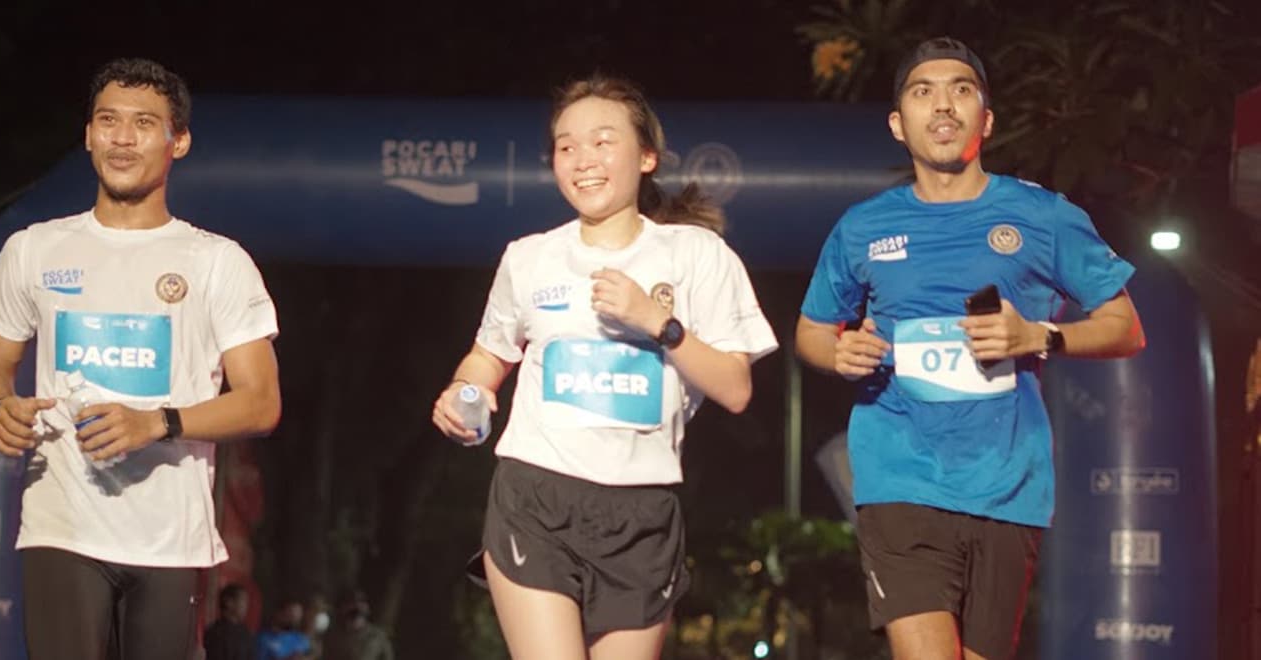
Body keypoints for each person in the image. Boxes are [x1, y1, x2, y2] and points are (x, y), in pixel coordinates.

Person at [794, 37, 1146, 660]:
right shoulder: (863, 227)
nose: (943, 105)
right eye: (923, 92)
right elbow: (813, 332)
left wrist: (1039, 335)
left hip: (1007, 483)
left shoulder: (1043, 216)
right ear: (898, 125)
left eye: (961, 90)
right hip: (898, 475)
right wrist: (838, 351)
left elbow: (1125, 327)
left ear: (986, 120)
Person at [430, 74, 779, 660]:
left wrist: (656, 321)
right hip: (535, 495)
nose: (583, 160)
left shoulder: (696, 254)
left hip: (643, 509)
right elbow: (490, 354)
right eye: (567, 146)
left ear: (647, 157)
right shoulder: (529, 257)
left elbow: (736, 389)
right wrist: (466, 390)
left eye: (602, 141)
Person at [0, 57, 282, 659]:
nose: (123, 138)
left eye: (143, 123)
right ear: (89, 134)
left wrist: (158, 422)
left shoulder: (218, 262)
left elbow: (261, 403)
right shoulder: (33, 250)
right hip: (61, 524)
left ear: (177, 141)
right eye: (108, 120)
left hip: (169, 538)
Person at [320, 589, 393, 660]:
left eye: (361, 601)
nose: (357, 605)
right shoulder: (332, 635)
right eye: (352, 602)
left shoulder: (378, 636)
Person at [205, 584, 254, 660]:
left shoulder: (245, 633)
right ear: (229, 602)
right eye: (243, 600)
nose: (246, 606)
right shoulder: (216, 633)